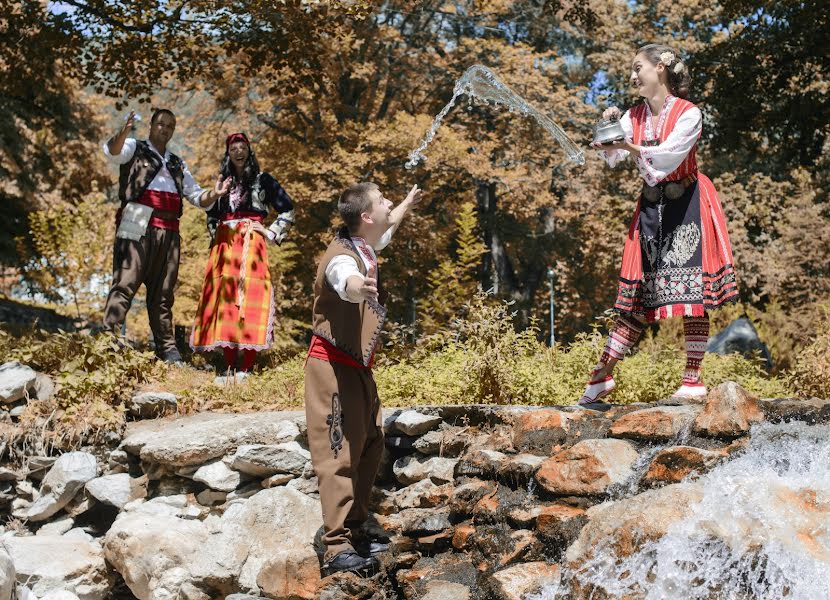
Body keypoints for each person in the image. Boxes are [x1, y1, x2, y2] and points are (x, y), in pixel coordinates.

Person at [579, 44, 739, 407]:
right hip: (653, 208)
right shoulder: (632, 115)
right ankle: (600, 376)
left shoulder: (689, 113)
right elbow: (613, 155)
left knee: (692, 295)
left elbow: (668, 155)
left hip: (689, 205)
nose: (633, 76)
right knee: (638, 297)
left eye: (638, 68)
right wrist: (607, 135)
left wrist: (629, 145)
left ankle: (692, 379)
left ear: (661, 68)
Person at [305, 182, 422, 576]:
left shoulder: (365, 243)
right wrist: (360, 288)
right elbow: (345, 281)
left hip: (356, 366)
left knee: (370, 444)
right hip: (331, 366)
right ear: (366, 216)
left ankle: (355, 529)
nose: (389, 203)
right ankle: (336, 547)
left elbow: (386, 233)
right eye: (383, 201)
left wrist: (406, 203)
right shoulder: (342, 257)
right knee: (337, 450)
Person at [101, 109, 229, 364]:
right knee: (125, 282)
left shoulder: (177, 163)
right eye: (161, 123)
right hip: (137, 219)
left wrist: (214, 194)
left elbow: (196, 197)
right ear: (151, 125)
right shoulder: (133, 147)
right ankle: (108, 343)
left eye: (170, 125)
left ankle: (167, 350)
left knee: (163, 293)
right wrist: (125, 129)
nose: (165, 129)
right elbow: (113, 151)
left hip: (169, 229)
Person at [189, 133, 295, 378]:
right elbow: (212, 215)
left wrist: (269, 232)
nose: (239, 151)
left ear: (249, 151)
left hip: (251, 242)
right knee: (223, 299)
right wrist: (217, 236)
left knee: (251, 296)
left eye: (243, 147)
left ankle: (246, 364)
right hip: (225, 246)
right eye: (234, 148)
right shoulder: (222, 183)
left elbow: (287, 208)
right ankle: (227, 363)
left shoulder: (264, 180)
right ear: (229, 154)